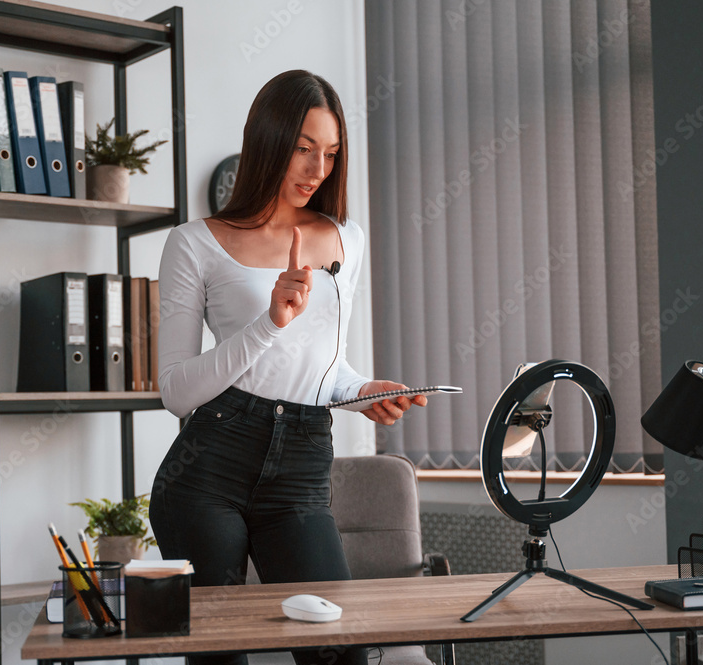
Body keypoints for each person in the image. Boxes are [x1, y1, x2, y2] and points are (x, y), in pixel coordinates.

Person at [149, 70, 425, 665]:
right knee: (223, 656)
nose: (316, 169)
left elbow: (323, 370)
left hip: (301, 465)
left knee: (339, 652)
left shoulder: (344, 239)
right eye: (303, 148)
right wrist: (269, 321)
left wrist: (361, 390)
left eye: (330, 153)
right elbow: (174, 391)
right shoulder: (194, 243)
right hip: (207, 471)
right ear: (267, 139)